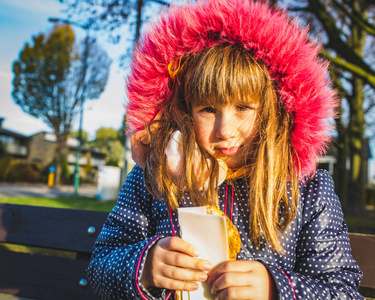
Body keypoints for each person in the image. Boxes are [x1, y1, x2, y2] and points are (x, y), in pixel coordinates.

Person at [86, 0, 364, 299]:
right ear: (183, 111)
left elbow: (342, 290)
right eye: (207, 109)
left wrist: (275, 289)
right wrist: (144, 266)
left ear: (274, 111)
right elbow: (100, 267)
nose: (225, 131)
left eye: (243, 107)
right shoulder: (152, 179)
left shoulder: (307, 190)